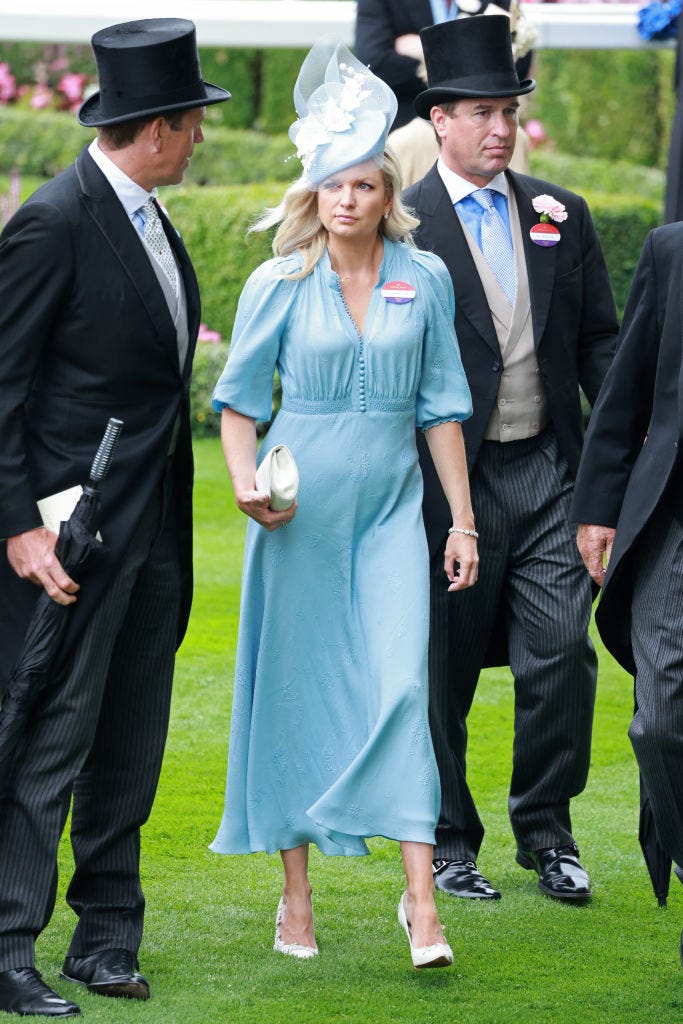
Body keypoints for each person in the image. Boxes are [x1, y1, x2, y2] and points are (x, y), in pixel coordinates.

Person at [209, 39, 476, 969]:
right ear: (313, 194)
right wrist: (247, 485)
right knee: (291, 696)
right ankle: (295, 897)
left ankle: (421, 903)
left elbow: (442, 408)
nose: (348, 200)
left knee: (402, 687)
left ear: (384, 194)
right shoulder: (276, 283)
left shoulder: (424, 277)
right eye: (333, 185)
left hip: (394, 515)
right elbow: (238, 406)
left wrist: (464, 520)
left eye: (365, 185)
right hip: (298, 516)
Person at [0, 19, 230, 1018]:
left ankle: (106, 938)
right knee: (48, 738)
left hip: (153, 536)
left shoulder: (151, 218)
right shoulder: (55, 219)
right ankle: (7, 947)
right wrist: (20, 528)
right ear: (158, 129)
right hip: (69, 539)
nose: (201, 143)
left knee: (130, 740)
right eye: (195, 126)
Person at [403, 16, 618, 902]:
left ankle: (547, 831)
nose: (501, 128)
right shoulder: (401, 222)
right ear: (440, 120)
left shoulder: (558, 214)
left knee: (562, 650)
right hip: (445, 483)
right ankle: (451, 839)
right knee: (442, 667)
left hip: (548, 473)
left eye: (510, 112)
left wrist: (623, 453)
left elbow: (602, 343)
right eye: (483, 112)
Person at [572, 225, 683, 968]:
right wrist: (597, 507)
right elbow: (626, 390)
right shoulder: (670, 251)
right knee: (659, 723)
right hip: (673, 515)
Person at [354, 0, 534, 186]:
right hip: (406, 127)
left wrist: (426, 49)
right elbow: (376, 65)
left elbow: (516, 65)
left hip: (485, 128)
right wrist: (477, 57)